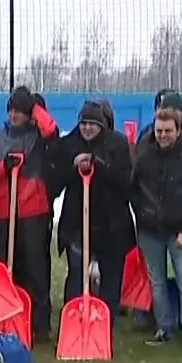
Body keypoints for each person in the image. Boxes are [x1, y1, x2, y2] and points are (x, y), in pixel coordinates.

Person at [0, 88, 61, 337]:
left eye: (21, 110)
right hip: (3, 211)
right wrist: (2, 167)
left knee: (35, 269)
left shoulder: (38, 136)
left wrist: (35, 107)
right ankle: (6, 319)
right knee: (5, 268)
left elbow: (52, 131)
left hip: (33, 209)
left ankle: (39, 325)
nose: (15, 115)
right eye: (12, 109)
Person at [132, 108, 182, 350]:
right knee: (157, 282)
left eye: (168, 131)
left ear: (178, 131)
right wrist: (143, 217)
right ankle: (163, 328)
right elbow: (133, 190)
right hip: (150, 232)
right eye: (159, 131)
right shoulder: (144, 158)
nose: (163, 135)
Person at [54, 98, 135, 313]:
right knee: (77, 273)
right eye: (83, 123)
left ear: (102, 125)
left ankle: (106, 319)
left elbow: (125, 181)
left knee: (111, 276)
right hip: (78, 222)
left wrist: (97, 164)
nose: (87, 128)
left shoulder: (117, 143)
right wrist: (73, 167)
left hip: (112, 223)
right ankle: (74, 316)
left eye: (93, 124)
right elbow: (55, 182)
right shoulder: (68, 144)